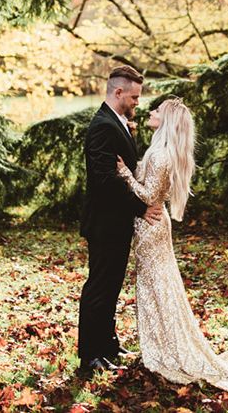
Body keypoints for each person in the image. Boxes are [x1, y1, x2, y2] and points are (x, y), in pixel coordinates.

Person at [115, 97, 228, 394]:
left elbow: (148, 194)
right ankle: (161, 344)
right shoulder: (160, 150)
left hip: (151, 225)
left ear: (167, 121)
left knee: (156, 287)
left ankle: (164, 350)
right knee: (158, 287)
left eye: (158, 111)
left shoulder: (162, 155)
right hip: (153, 225)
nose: (151, 111)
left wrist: (125, 172)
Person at [78, 65, 163, 373]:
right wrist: (140, 207)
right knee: (99, 287)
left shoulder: (120, 123)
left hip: (115, 222)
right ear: (118, 92)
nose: (137, 103)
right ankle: (90, 355)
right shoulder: (103, 126)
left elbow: (123, 169)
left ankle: (108, 346)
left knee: (111, 286)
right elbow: (104, 179)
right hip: (104, 222)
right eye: (134, 96)